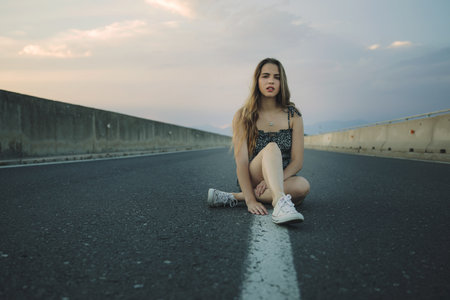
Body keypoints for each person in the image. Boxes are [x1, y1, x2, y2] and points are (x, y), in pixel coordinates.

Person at [207, 58, 310, 225]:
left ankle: (233, 197)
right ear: (257, 80)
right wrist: (250, 201)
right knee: (271, 148)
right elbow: (241, 163)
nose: (271, 81)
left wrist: (272, 181)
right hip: (254, 176)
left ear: (281, 82)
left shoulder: (293, 115)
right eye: (265, 76)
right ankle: (278, 201)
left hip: (281, 178)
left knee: (302, 187)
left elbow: (297, 162)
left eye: (276, 77)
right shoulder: (243, 115)